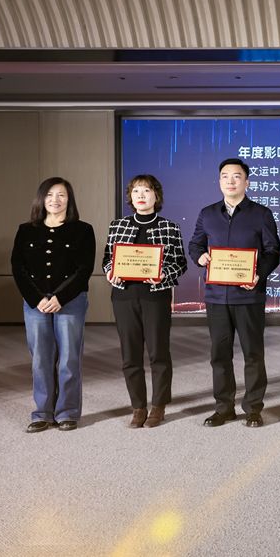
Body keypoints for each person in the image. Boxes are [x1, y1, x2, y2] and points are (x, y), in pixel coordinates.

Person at [189, 158, 280, 428]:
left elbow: (272, 251)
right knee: (219, 355)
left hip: (249, 295)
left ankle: (253, 408)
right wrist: (200, 257)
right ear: (219, 181)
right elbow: (195, 244)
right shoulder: (207, 214)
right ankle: (224, 407)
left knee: (253, 354)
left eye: (237, 176)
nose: (230, 181)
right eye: (225, 176)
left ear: (246, 182)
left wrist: (258, 274)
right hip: (217, 296)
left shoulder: (261, 213)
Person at [11, 177, 95, 432]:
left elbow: (84, 270)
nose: (55, 200)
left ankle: (67, 412)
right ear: (41, 199)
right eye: (49, 195)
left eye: (61, 195)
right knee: (40, 359)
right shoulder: (26, 230)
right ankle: (42, 413)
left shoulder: (83, 230)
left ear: (69, 199)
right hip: (35, 303)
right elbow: (18, 268)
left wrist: (60, 297)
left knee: (69, 359)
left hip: (70, 302)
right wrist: (37, 299)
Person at [102, 175, 187, 428]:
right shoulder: (117, 225)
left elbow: (180, 263)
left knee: (158, 353)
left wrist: (163, 275)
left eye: (147, 190)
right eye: (136, 191)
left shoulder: (170, 227)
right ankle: (138, 407)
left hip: (155, 297)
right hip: (124, 296)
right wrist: (109, 270)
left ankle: (159, 405)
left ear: (156, 196)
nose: (141, 195)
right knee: (130, 355)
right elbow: (107, 258)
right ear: (130, 196)